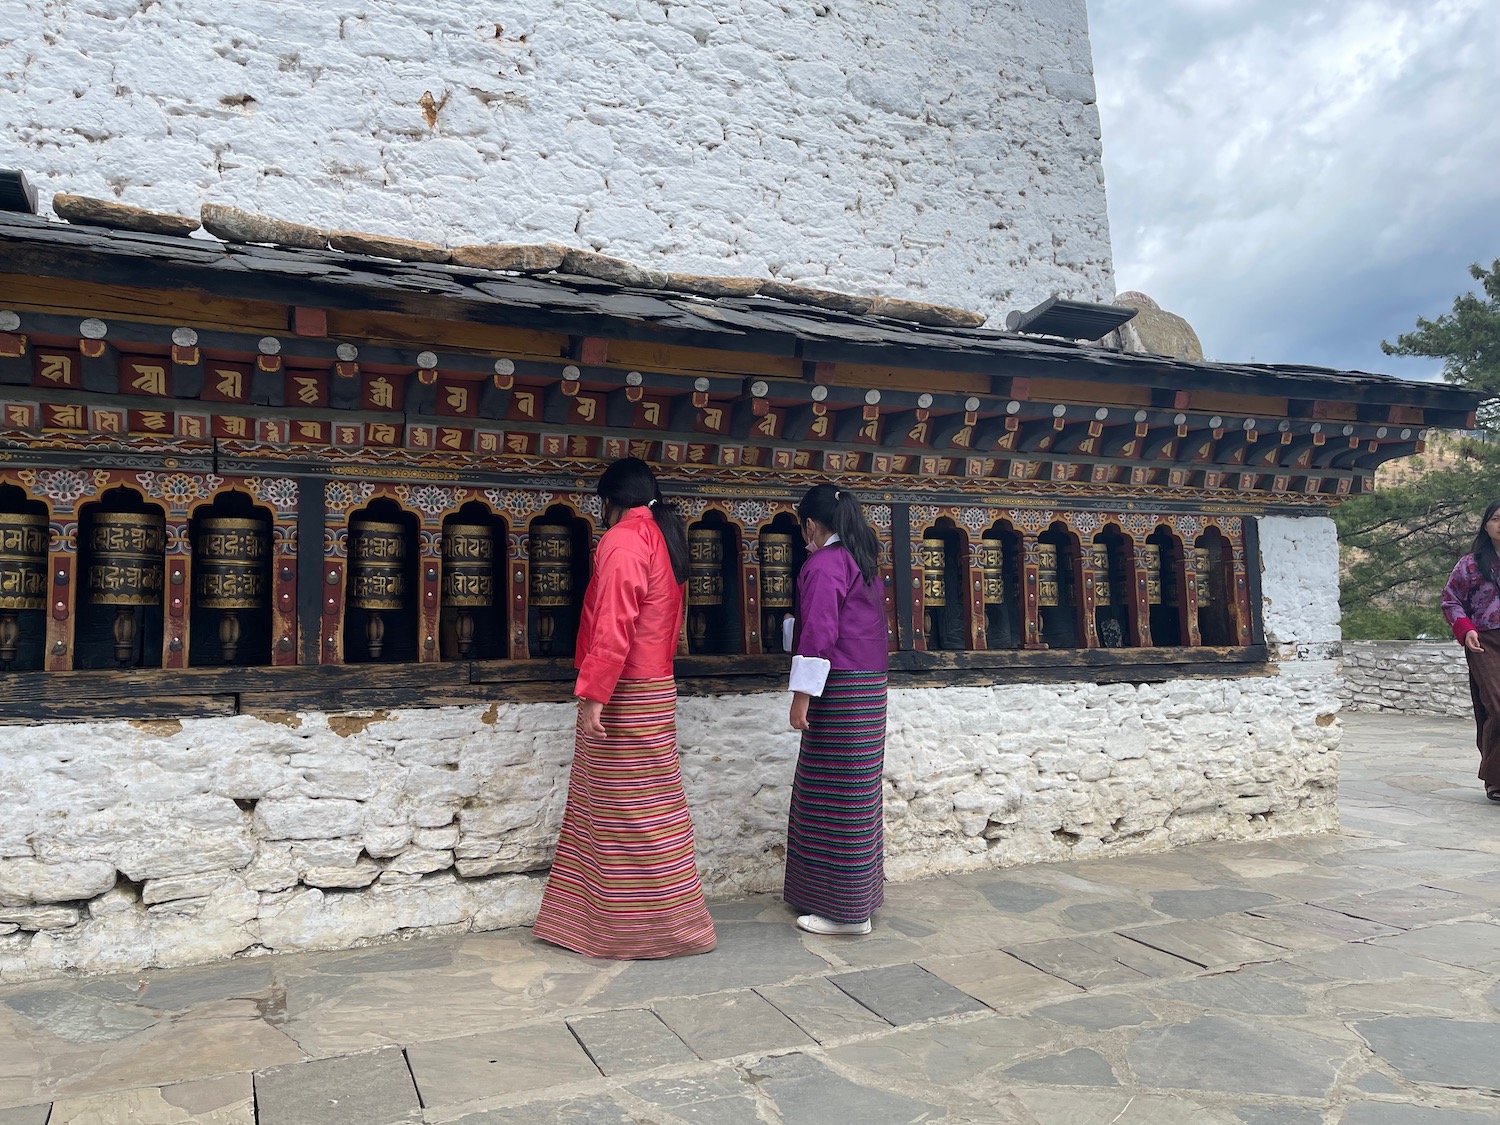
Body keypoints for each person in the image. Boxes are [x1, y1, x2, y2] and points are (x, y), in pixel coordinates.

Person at [532, 458, 717, 958]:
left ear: (609, 501)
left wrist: (595, 694)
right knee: (651, 809)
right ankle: (666, 923)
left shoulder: (623, 541)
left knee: (626, 815)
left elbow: (616, 622)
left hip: (625, 693)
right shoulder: (662, 535)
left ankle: (636, 930)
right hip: (654, 686)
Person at [783, 483, 889, 935]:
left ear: (811, 523)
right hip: (868, 689)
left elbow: (821, 632)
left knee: (836, 798)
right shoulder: (860, 561)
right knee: (855, 794)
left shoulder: (824, 563)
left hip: (840, 690)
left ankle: (845, 913)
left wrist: (800, 696)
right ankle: (849, 898)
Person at [1441, 499, 1500, 803]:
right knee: (1496, 704)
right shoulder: (1471, 563)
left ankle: (1495, 777)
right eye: (1496, 519)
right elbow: (1450, 600)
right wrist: (1466, 631)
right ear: (1486, 525)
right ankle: (1495, 777)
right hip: (1485, 641)